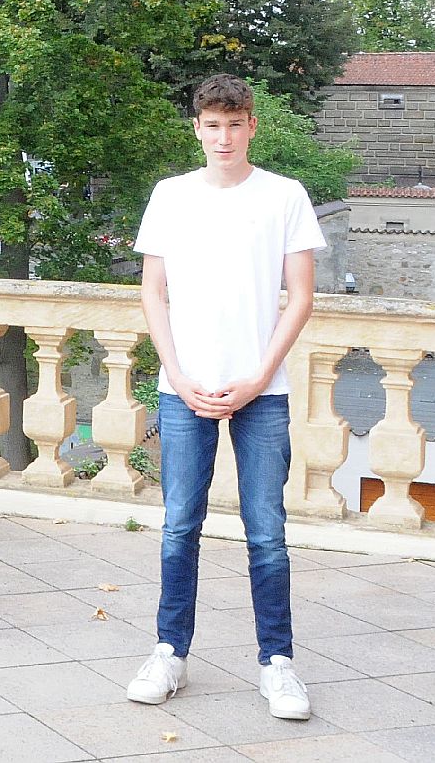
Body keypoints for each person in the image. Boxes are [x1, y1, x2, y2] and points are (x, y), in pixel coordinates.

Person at [125, 74, 323, 720]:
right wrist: (177, 375)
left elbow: (300, 294)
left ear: (252, 126)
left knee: (266, 530)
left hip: (261, 388)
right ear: (197, 128)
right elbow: (154, 293)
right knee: (180, 524)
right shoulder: (171, 196)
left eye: (235, 124)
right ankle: (169, 651)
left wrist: (260, 375)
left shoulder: (285, 195)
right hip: (184, 389)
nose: (224, 136)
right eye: (213, 124)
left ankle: (278, 663)